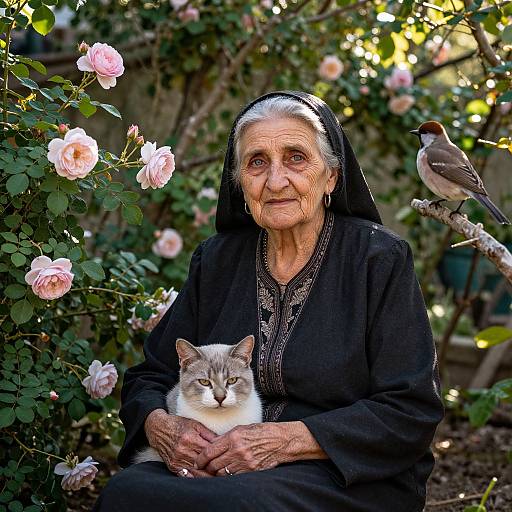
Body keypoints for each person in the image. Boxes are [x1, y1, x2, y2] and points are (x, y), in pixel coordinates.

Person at [93, 91, 444, 511]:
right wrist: (163, 427)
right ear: (240, 183)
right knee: (126, 493)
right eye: (257, 162)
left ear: (331, 176)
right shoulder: (218, 260)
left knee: (239, 506)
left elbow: (410, 409)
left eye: (296, 157)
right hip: (214, 463)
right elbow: (150, 376)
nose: (275, 181)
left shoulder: (378, 260)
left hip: (342, 472)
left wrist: (284, 441)